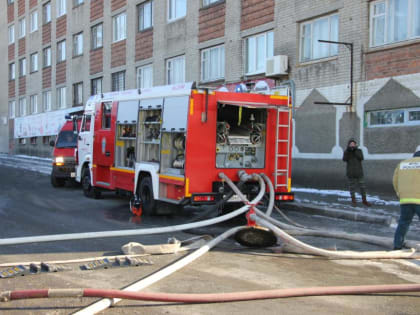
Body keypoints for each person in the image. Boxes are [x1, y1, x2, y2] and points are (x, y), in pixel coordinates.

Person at [392, 147, 420, 250]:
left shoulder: (403, 164)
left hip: (405, 199)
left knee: (403, 222)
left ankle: (397, 245)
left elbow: (395, 181)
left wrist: (400, 194)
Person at [342, 139, 371, 207]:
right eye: (351, 144)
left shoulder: (359, 151)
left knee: (362, 187)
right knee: (352, 187)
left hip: (359, 172)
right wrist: (348, 151)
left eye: (353, 144)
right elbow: (344, 159)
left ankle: (364, 200)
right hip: (350, 172)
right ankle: (353, 201)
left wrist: (355, 151)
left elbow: (361, 158)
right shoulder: (346, 151)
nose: (352, 145)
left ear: (355, 144)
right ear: (349, 145)